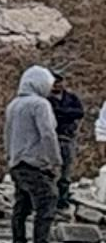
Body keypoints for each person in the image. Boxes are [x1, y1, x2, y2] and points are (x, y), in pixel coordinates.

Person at [4, 66, 64, 243]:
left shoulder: (14, 105)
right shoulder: (40, 105)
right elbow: (48, 134)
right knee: (47, 204)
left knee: (21, 208)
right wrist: (56, 161)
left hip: (17, 162)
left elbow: (7, 134)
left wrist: (9, 159)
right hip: (35, 164)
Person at [48, 72, 84, 210]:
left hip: (68, 137)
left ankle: (63, 199)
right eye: (54, 82)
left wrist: (61, 112)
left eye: (59, 81)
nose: (57, 84)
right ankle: (50, 198)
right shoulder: (46, 99)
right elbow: (51, 114)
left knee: (66, 170)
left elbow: (79, 112)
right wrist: (66, 114)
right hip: (52, 137)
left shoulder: (71, 97)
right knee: (50, 170)